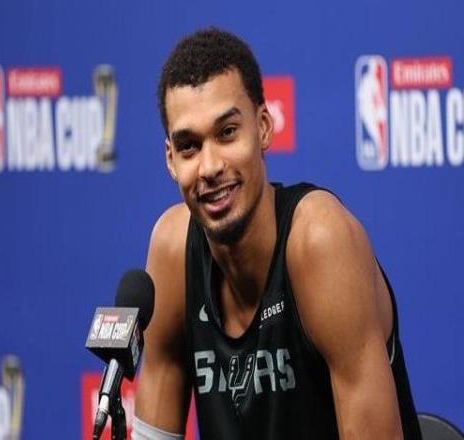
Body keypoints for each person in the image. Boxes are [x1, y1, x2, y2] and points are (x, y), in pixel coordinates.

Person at [133, 28, 422, 439]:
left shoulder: (320, 242)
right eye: (189, 147)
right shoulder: (172, 251)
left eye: (227, 133)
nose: (210, 166)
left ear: (264, 127)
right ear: (170, 160)